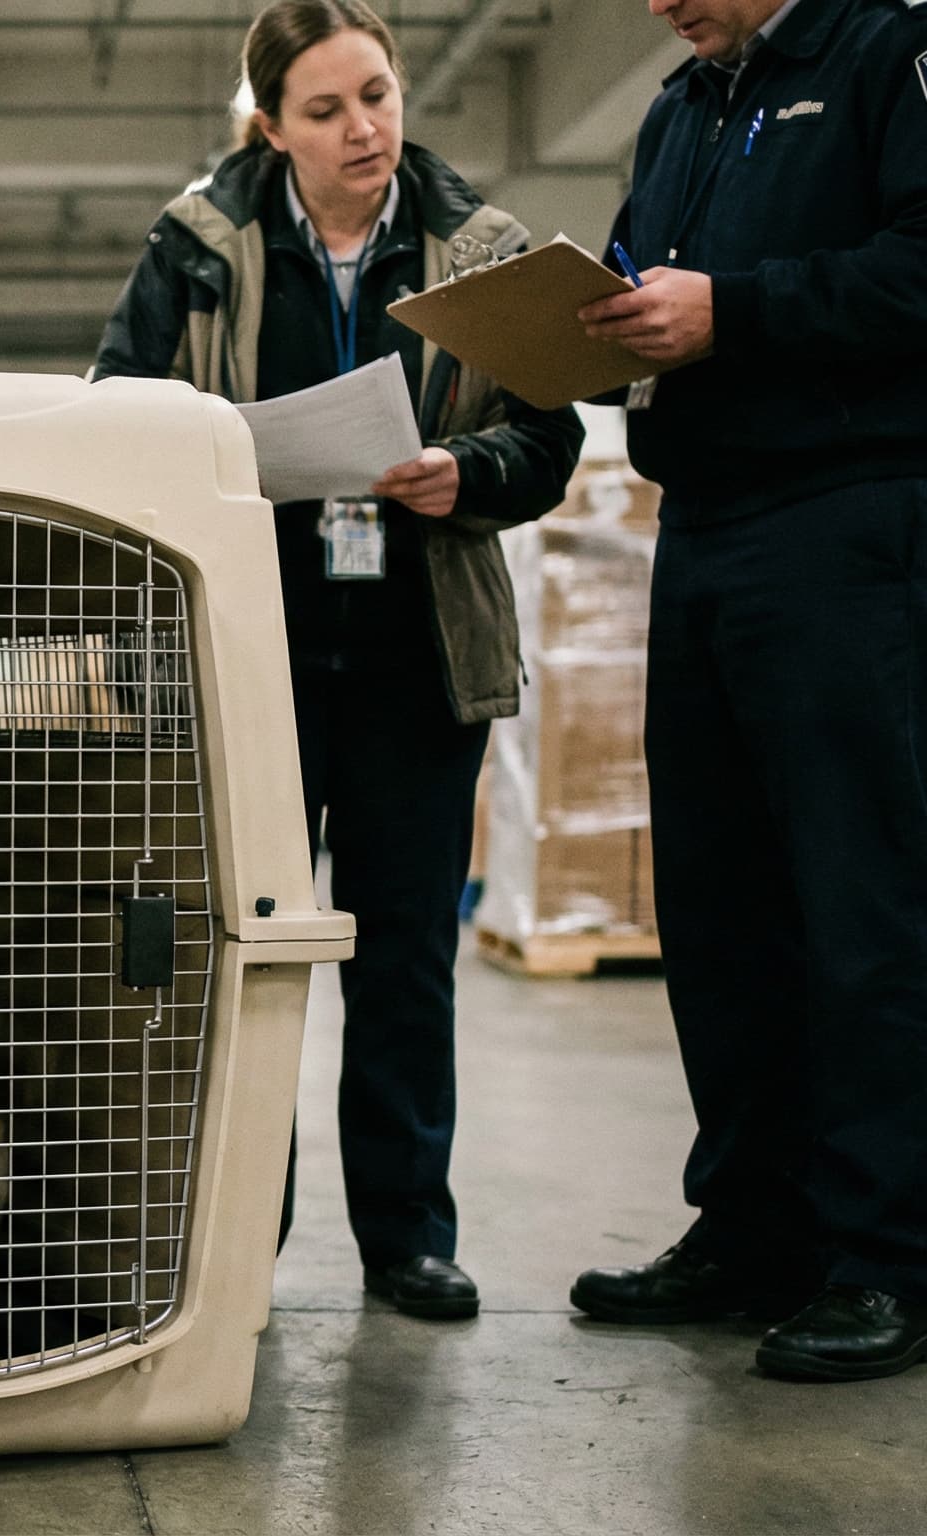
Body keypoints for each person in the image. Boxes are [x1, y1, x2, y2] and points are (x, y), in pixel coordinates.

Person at [93, 0, 582, 1322]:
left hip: (419, 655)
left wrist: (464, 471)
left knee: (406, 956)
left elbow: (549, 441)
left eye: (378, 93)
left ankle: (408, 1238)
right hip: (250, 662)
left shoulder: (483, 251)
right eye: (326, 110)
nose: (365, 128)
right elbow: (117, 415)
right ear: (271, 128)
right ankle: (239, 1227)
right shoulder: (200, 248)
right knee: (239, 950)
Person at [568, 0, 927, 1381]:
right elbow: (655, 282)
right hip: (706, 525)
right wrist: (590, 322)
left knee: (855, 897)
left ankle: (890, 1265)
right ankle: (754, 1231)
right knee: (722, 906)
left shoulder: (909, 57)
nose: (658, 3)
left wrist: (737, 311)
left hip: (852, 518)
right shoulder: (685, 103)